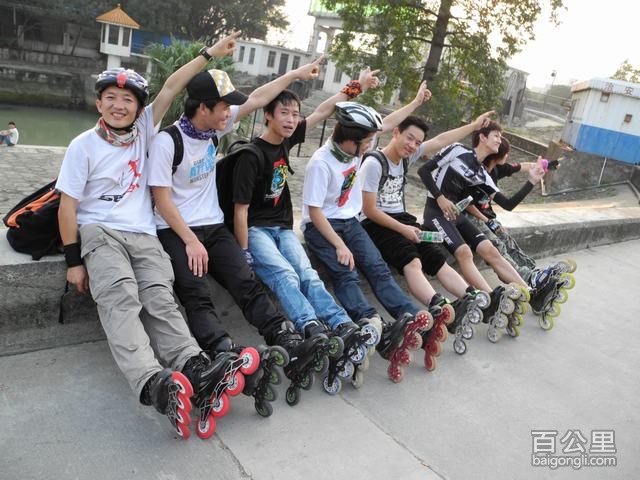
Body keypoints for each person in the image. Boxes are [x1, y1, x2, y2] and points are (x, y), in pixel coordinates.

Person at [56, 33, 253, 439]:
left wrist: (209, 54)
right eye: (111, 98)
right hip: (101, 232)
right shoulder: (82, 146)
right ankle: (151, 381)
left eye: (127, 100)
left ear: (139, 107)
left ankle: (193, 365)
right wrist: (74, 261)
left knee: (161, 298)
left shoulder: (146, 129)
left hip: (143, 232)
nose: (119, 105)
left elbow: (171, 86)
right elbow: (67, 207)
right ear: (99, 104)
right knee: (121, 297)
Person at [148, 57, 343, 411]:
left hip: (213, 226)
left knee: (246, 283)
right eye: (224, 107)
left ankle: (282, 336)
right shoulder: (167, 142)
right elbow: (161, 199)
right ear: (203, 108)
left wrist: (296, 74)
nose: (229, 114)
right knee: (195, 293)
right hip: (176, 230)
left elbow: (257, 99)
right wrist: (190, 240)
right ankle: (222, 350)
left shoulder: (213, 130)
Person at [230, 67, 385, 393]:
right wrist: (243, 252)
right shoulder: (250, 155)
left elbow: (325, 110)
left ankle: (340, 324)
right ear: (268, 115)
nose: (291, 119)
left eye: (295, 114)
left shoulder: (287, 140)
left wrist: (357, 86)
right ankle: (310, 326)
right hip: (256, 230)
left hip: (282, 227)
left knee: (308, 274)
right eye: (284, 113)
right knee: (285, 275)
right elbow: (240, 210)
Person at [301, 101, 433, 384]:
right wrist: (339, 245)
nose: (373, 144)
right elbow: (314, 212)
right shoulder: (321, 163)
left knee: (377, 267)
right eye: (369, 140)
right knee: (346, 273)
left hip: (349, 222)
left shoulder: (355, 151)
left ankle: (410, 317)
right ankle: (371, 323)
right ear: (353, 139)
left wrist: (416, 103)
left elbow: (389, 124)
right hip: (321, 227)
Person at [359, 109, 495, 368]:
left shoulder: (406, 158)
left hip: (402, 218)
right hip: (375, 223)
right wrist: (402, 229)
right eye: (409, 138)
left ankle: (468, 297)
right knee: (412, 261)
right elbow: (369, 210)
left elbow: (442, 140)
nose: (413, 145)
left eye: (418, 142)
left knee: (435, 256)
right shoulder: (374, 163)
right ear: (396, 132)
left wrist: (474, 125)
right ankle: (437, 305)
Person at [417, 121, 531, 343]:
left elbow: (507, 204)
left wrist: (532, 181)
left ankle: (526, 291)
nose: (499, 140)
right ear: (482, 137)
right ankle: (490, 300)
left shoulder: (482, 174)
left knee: (490, 249)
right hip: (435, 211)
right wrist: (440, 198)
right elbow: (424, 170)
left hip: (455, 214)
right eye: (496, 135)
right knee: (464, 253)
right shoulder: (457, 150)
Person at [461, 137, 576, 330]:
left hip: (488, 218)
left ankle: (534, 275)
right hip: (474, 219)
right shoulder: (477, 174)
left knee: (508, 242)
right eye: (505, 153)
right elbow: (473, 203)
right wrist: (487, 220)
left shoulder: (497, 168)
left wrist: (547, 165)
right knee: (499, 249)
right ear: (497, 156)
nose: (508, 157)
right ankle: (529, 282)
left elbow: (522, 166)